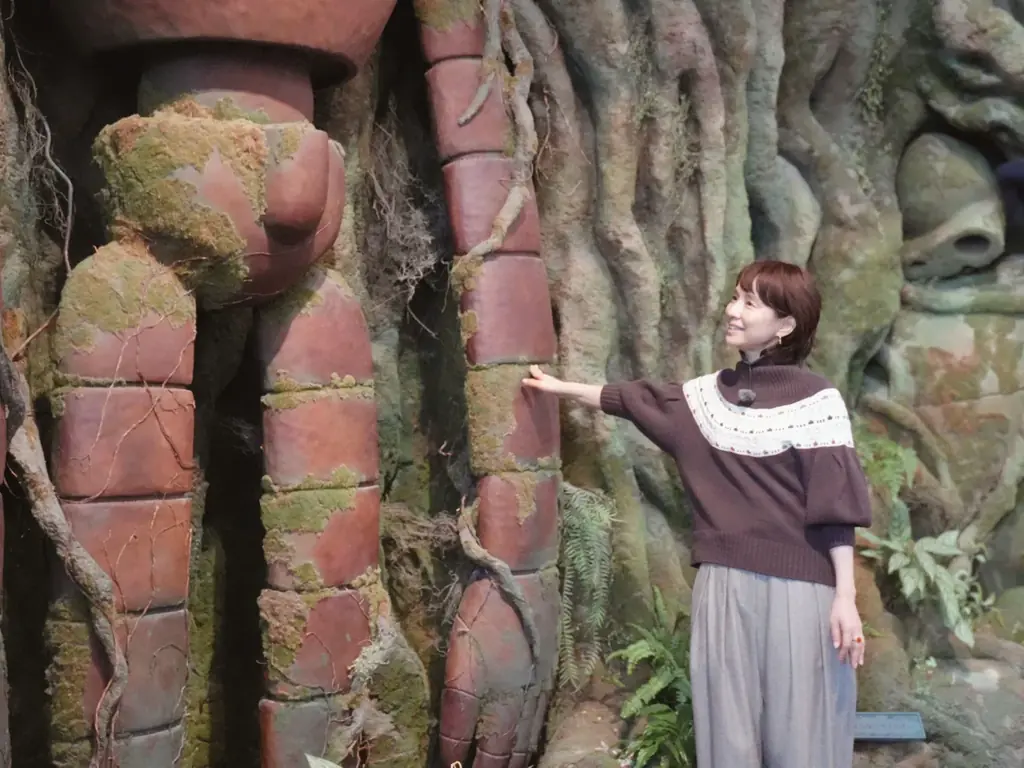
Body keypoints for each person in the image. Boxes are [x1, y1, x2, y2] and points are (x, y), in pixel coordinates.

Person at [522, 260, 871, 768]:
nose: (733, 311)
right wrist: (559, 388)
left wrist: (845, 597)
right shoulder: (705, 399)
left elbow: (835, 509)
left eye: (750, 303)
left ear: (786, 324)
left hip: (803, 591)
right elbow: (635, 400)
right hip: (724, 586)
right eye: (735, 297)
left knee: (805, 735)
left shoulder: (818, 401)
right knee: (727, 734)